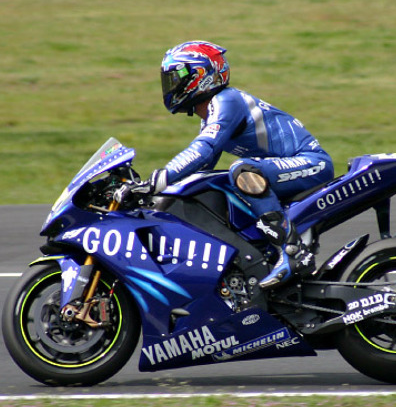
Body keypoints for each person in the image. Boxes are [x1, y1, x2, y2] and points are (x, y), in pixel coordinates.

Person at [124, 40, 334, 289]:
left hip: (312, 163)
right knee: (213, 184)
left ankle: (290, 250)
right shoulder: (213, 113)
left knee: (243, 171)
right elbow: (201, 170)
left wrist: (159, 179)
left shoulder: (227, 101)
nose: (171, 85)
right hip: (288, 167)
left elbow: (204, 150)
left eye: (177, 77)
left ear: (200, 76)